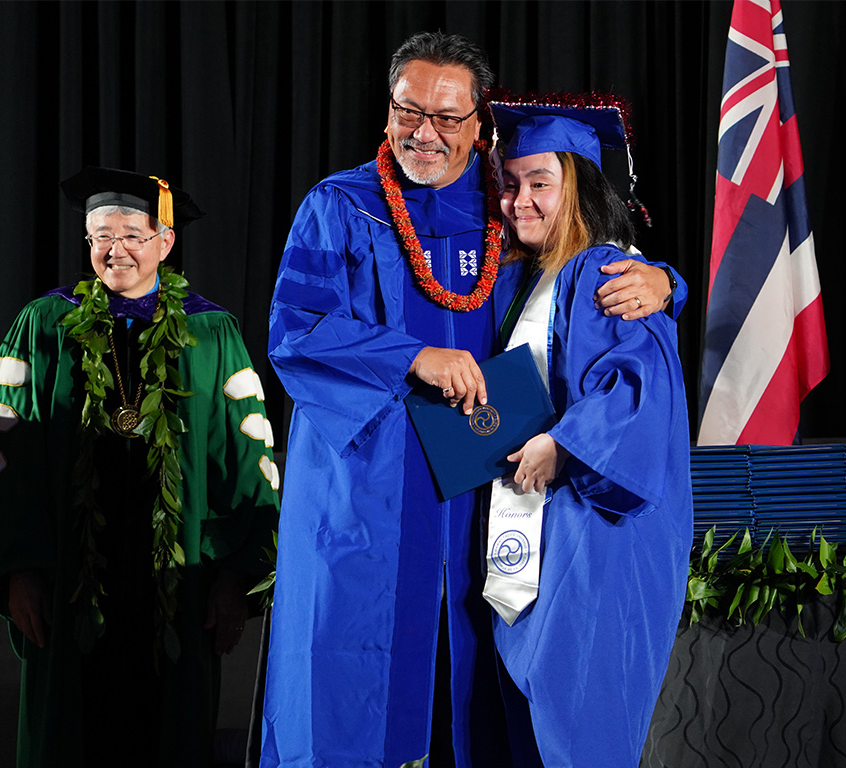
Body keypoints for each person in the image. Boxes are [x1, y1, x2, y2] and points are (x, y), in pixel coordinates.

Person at [260, 32, 686, 768]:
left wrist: (664, 283)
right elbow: (295, 332)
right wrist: (415, 356)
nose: (425, 132)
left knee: (480, 712)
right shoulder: (340, 208)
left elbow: (577, 288)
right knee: (348, 701)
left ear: (479, 125)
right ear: (388, 110)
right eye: (409, 111)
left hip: (481, 506)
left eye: (448, 118)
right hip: (364, 506)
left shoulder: (502, 215)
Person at [0, 167, 280, 768]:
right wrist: (19, 569)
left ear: (165, 242)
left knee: (169, 730)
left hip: (181, 581)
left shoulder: (211, 331)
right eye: (101, 235)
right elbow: (0, 448)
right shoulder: (44, 325)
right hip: (67, 575)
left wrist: (235, 576)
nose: (115, 250)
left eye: (131, 234)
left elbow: (244, 458)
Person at [484, 96, 693, 767]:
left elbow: (634, 390)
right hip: (546, 540)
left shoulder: (608, 272)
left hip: (597, 540)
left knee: (584, 728)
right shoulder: (528, 280)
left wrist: (560, 445)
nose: (520, 201)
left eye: (540, 183)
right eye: (511, 185)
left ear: (578, 185)